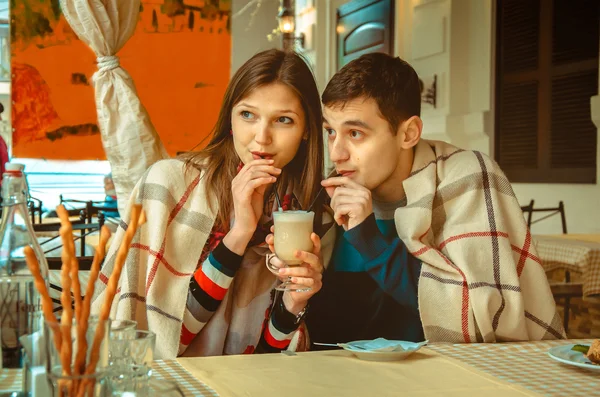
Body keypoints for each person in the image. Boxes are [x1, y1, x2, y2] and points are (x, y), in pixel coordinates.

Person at [272, 52, 563, 346]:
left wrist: (368, 238)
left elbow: (476, 322)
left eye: (356, 133)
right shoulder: (326, 198)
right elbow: (320, 329)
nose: (337, 153)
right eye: (331, 132)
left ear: (408, 133)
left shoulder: (463, 177)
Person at [91, 49, 335, 359]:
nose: (261, 138)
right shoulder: (169, 186)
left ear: (306, 131)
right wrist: (239, 234)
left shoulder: (314, 218)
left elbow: (265, 358)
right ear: (230, 118)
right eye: (248, 115)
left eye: (283, 120)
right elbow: (164, 338)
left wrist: (294, 304)